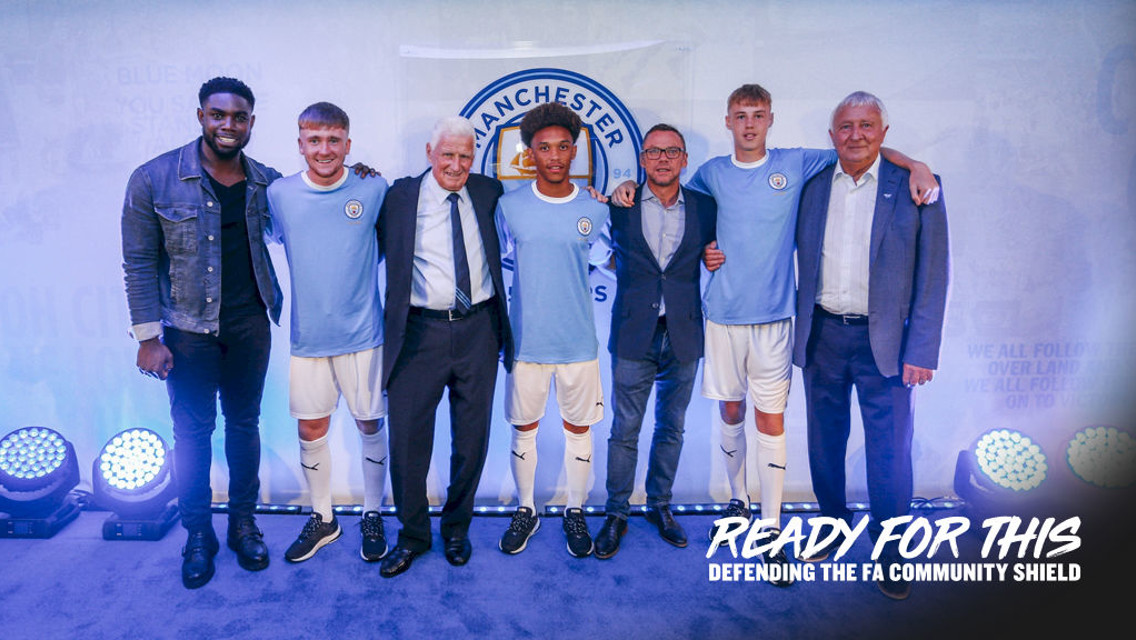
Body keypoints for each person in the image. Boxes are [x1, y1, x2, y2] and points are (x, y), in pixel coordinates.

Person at [615, 83, 938, 586]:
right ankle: (740, 501)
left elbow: (857, 148)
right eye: (740, 115)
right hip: (726, 318)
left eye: (758, 115)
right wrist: (635, 195)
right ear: (727, 121)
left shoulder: (800, 164)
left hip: (781, 321)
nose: (748, 123)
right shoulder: (709, 175)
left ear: (770, 120)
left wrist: (915, 163)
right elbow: (679, 214)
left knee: (778, 424)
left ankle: (774, 530)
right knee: (735, 414)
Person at [122, 77, 281, 589]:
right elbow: (139, 262)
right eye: (218, 115)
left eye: (238, 117)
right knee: (191, 435)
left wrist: (356, 174)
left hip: (251, 323)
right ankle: (198, 534)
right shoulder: (153, 178)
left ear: (251, 123)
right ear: (201, 117)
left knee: (244, 426)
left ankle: (241, 524)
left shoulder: (266, 182)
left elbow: (319, 196)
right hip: (187, 331)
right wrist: (149, 338)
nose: (228, 125)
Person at [793, 91, 949, 601]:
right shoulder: (811, 186)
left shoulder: (917, 187)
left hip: (886, 343)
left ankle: (891, 547)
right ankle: (832, 525)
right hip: (822, 335)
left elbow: (933, 275)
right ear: (831, 135)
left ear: (884, 132)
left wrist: (922, 349)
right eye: (846, 126)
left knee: (890, 450)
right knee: (824, 442)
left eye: (866, 126)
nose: (855, 135)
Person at [376, 116, 514, 578]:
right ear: (429, 153)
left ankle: (457, 529)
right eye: (447, 154)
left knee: (471, 441)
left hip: (479, 329)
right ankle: (413, 535)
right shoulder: (397, 197)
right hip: (418, 333)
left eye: (465, 155)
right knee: (409, 443)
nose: (456, 164)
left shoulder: (489, 192)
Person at [265, 102, 391, 564]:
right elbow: (272, 239)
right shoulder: (279, 194)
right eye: (313, 140)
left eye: (333, 140)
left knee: (370, 423)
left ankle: (373, 512)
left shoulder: (373, 186)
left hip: (363, 335)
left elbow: (382, 245)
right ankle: (323, 518)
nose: (324, 149)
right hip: (308, 339)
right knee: (311, 427)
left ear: (348, 144)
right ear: (300, 144)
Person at [594, 124, 716, 559]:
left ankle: (659, 505)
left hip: (683, 332)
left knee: (672, 427)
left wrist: (715, 255)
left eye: (672, 152)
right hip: (632, 333)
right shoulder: (620, 205)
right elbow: (595, 250)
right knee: (624, 429)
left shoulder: (705, 206)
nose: (663, 159)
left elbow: (715, 250)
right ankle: (616, 513)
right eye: (654, 152)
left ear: (684, 160)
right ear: (642, 160)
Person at [495, 102, 610, 558]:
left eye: (564, 147)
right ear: (530, 153)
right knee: (523, 428)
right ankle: (527, 508)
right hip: (526, 342)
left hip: (578, 342)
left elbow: (611, 262)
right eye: (545, 148)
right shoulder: (509, 207)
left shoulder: (594, 209)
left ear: (576, 149)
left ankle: (575, 509)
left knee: (578, 429)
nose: (556, 156)